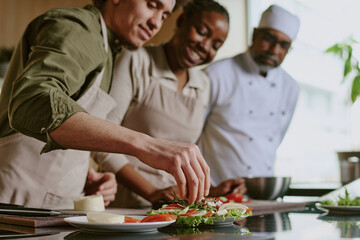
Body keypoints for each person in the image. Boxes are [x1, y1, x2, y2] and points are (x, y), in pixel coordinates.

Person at [0, 0, 210, 209]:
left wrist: (83, 177)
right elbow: (32, 101)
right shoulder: (77, 27)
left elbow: (68, 130)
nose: (157, 23)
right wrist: (145, 145)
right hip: (15, 199)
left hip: (51, 203)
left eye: (164, 15)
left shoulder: (108, 49)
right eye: (152, 5)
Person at [93, 0, 245, 208]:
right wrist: (152, 192)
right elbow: (103, 143)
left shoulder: (202, 84)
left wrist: (213, 190)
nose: (205, 46)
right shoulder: (137, 60)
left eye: (216, 45)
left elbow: (187, 154)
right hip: (128, 205)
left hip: (176, 206)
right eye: (201, 31)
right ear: (182, 21)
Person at [197, 5, 300, 186]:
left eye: (284, 45)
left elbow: (278, 137)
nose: (275, 50)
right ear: (255, 34)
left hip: (263, 193)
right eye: (269, 39)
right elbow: (193, 135)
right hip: (216, 191)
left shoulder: (290, 87)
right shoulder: (216, 74)